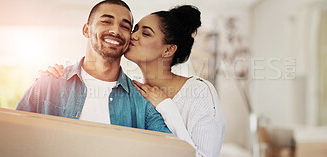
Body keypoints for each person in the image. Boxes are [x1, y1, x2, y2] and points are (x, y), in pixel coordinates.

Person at [45, 5, 225, 157]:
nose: (133, 36)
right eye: (135, 29)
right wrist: (56, 79)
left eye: (145, 33)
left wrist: (166, 106)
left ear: (168, 50)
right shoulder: (132, 89)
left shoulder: (199, 91)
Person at [16, 0, 171, 133]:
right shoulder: (47, 84)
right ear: (86, 30)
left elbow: (171, 150)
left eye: (125, 26)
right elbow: (12, 138)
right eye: (106, 21)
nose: (115, 30)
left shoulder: (143, 102)